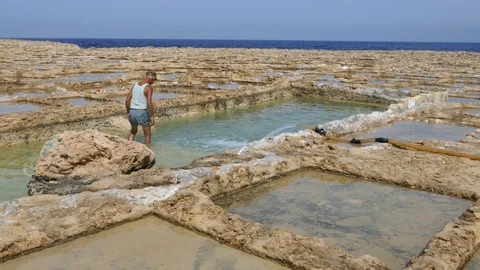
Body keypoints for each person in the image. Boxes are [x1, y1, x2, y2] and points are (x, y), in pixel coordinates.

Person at [125, 71, 156, 145]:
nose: (153, 83)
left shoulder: (135, 85)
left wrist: (128, 112)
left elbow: (127, 99)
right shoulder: (148, 87)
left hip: (132, 111)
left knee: (133, 132)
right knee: (147, 135)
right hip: (142, 112)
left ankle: (128, 146)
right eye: (154, 80)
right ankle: (147, 153)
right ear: (151, 79)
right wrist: (151, 116)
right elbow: (149, 102)